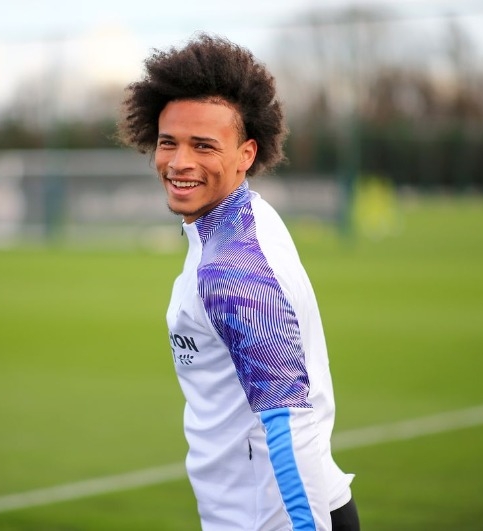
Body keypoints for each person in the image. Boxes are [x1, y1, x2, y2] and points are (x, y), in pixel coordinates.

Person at [118, 33, 359, 531]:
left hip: (276, 520)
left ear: (246, 154)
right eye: (168, 142)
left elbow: (290, 422)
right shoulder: (239, 220)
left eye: (203, 145)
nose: (179, 162)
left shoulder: (233, 271)